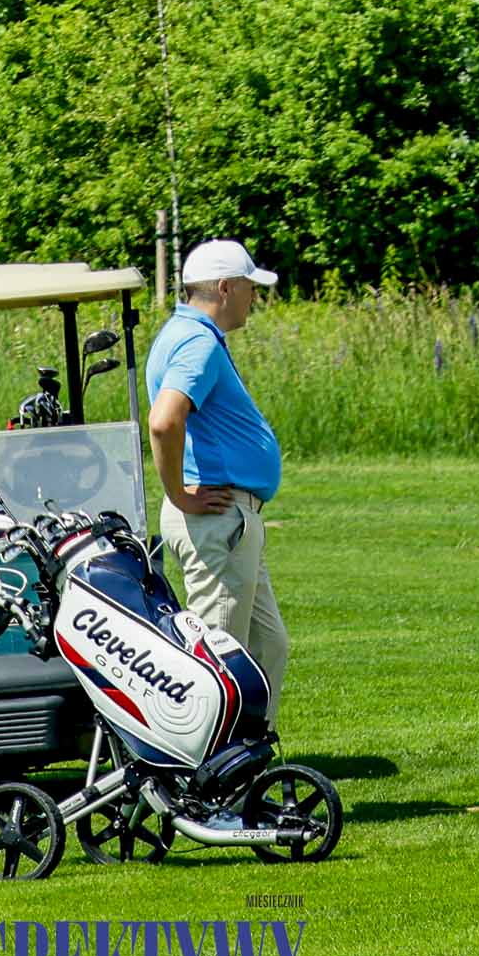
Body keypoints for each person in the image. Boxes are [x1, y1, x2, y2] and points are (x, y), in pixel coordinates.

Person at [146, 238, 292, 706]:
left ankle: (252, 759)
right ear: (226, 288)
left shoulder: (183, 334)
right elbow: (165, 420)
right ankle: (215, 771)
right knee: (220, 660)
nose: (255, 297)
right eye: (251, 287)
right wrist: (179, 495)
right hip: (217, 518)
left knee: (268, 647)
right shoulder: (197, 343)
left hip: (228, 518)